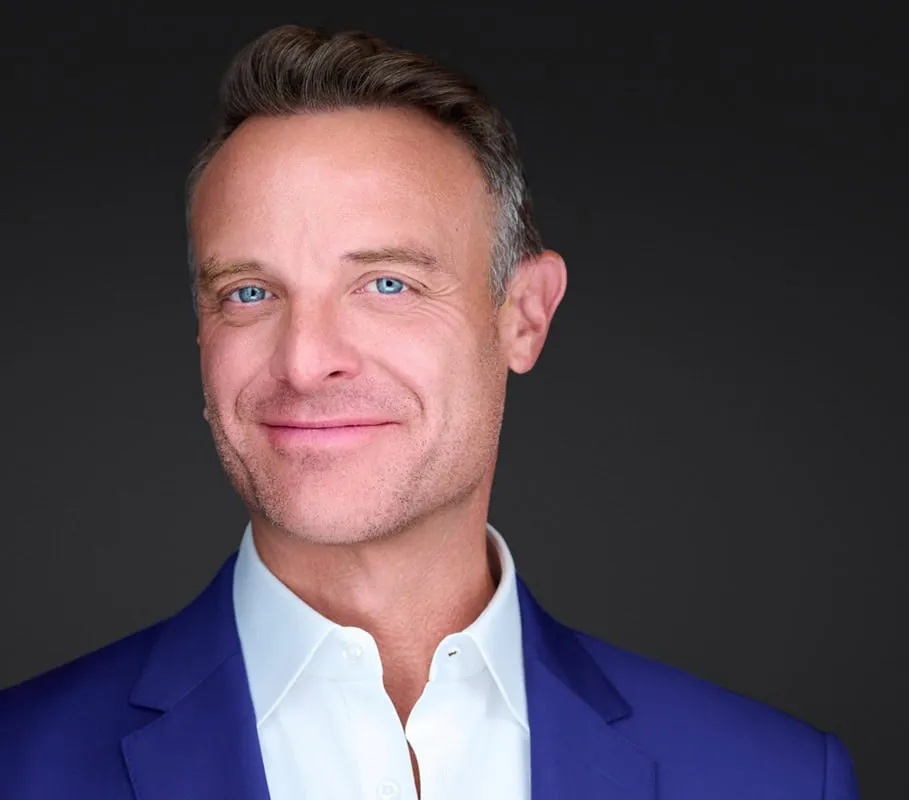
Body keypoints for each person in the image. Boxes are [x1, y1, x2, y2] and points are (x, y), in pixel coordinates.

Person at [0, 24, 859, 799]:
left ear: (524, 316)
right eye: (250, 292)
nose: (304, 360)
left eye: (387, 284)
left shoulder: (776, 780)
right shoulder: (17, 763)